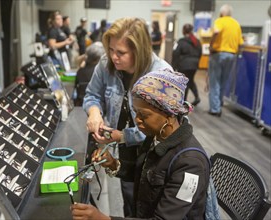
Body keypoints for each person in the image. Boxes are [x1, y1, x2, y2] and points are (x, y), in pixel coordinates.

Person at [71, 69, 210, 219]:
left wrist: (104, 219)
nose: (137, 120)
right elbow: (145, 174)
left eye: (144, 115)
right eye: (136, 112)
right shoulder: (155, 136)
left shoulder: (190, 164)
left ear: (169, 115)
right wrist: (113, 163)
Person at [82, 17, 172, 217]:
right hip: (126, 151)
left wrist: (120, 136)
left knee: (147, 206)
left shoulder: (161, 74)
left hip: (154, 155)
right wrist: (94, 112)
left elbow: (163, 129)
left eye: (120, 52)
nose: (113, 57)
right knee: (129, 201)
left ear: (139, 51)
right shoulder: (107, 64)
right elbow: (92, 95)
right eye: (111, 50)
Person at [208, 4, 244, 116]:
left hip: (219, 54)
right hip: (231, 55)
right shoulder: (236, 24)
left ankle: (215, 109)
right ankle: (219, 104)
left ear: (222, 13)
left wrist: (211, 45)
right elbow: (241, 43)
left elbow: (216, 32)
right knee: (223, 81)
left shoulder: (220, 20)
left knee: (214, 81)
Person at [172, 23, 202, 106]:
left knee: (185, 83)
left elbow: (176, 54)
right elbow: (200, 53)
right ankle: (197, 97)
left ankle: (183, 102)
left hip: (184, 65)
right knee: (190, 80)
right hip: (194, 65)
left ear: (183, 31)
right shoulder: (197, 41)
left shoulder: (180, 41)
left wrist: (173, 67)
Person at [73, 42, 104, 106]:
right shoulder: (100, 72)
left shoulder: (80, 71)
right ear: (99, 58)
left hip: (81, 103)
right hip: (97, 105)